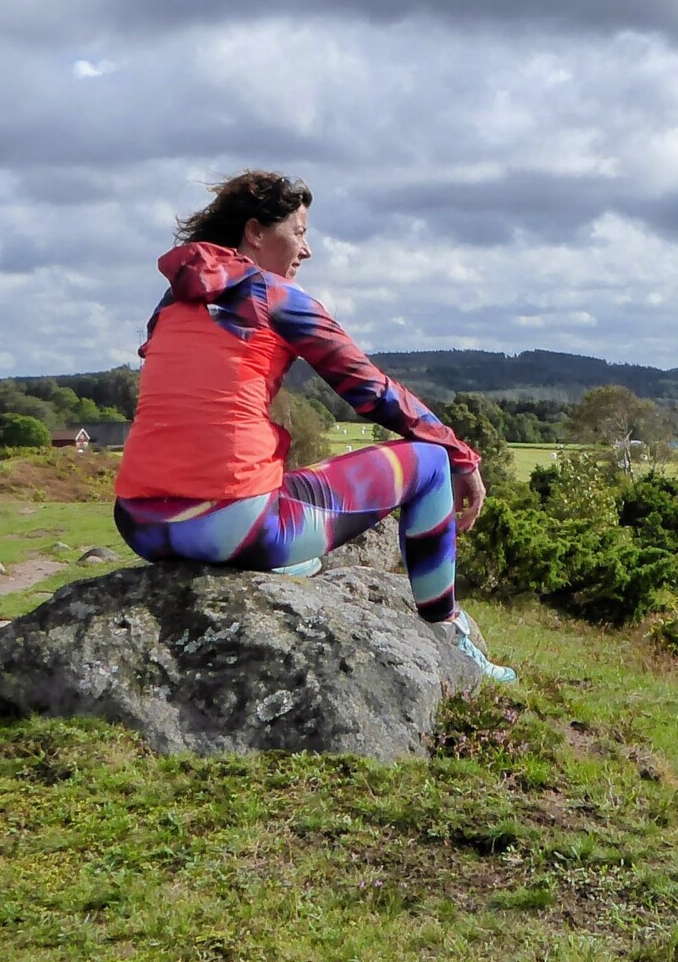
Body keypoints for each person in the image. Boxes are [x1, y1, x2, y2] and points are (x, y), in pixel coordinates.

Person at [113, 170, 514, 681]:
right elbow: (372, 391)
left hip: (140, 523)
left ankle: (266, 554)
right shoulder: (276, 296)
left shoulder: (172, 301)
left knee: (272, 471)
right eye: (299, 232)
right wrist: (462, 455)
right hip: (232, 524)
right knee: (432, 462)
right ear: (255, 232)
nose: (307, 250)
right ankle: (449, 634)